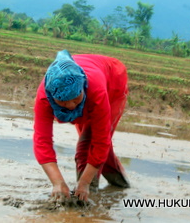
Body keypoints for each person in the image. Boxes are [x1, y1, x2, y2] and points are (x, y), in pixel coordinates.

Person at [33, 49, 130, 202]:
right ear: (52, 97)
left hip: (112, 81)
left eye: (75, 99)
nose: (71, 106)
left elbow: (100, 142)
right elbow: (41, 141)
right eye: (63, 102)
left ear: (82, 89)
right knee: (94, 141)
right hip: (84, 82)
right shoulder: (45, 96)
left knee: (88, 144)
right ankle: (120, 185)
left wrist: (84, 183)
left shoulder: (94, 90)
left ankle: (87, 194)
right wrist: (57, 182)